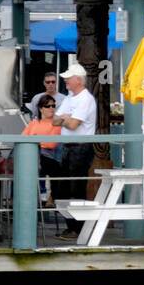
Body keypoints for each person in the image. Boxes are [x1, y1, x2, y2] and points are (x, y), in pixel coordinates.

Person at [52, 63, 98, 238]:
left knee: (76, 188)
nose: (65, 81)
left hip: (80, 147)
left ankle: (78, 228)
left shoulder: (85, 99)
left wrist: (63, 118)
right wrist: (65, 118)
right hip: (69, 146)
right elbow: (56, 121)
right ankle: (72, 226)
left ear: (78, 80)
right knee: (64, 187)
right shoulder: (71, 98)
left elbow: (71, 124)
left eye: (68, 78)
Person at [24, 96, 64, 200]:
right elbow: (23, 139)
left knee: (54, 168)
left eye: (53, 106)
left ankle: (52, 198)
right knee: (20, 166)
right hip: (31, 156)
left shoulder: (56, 124)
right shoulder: (33, 124)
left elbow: (52, 144)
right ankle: (17, 198)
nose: (52, 108)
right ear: (41, 108)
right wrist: (40, 142)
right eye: (48, 106)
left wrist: (35, 140)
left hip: (46, 156)